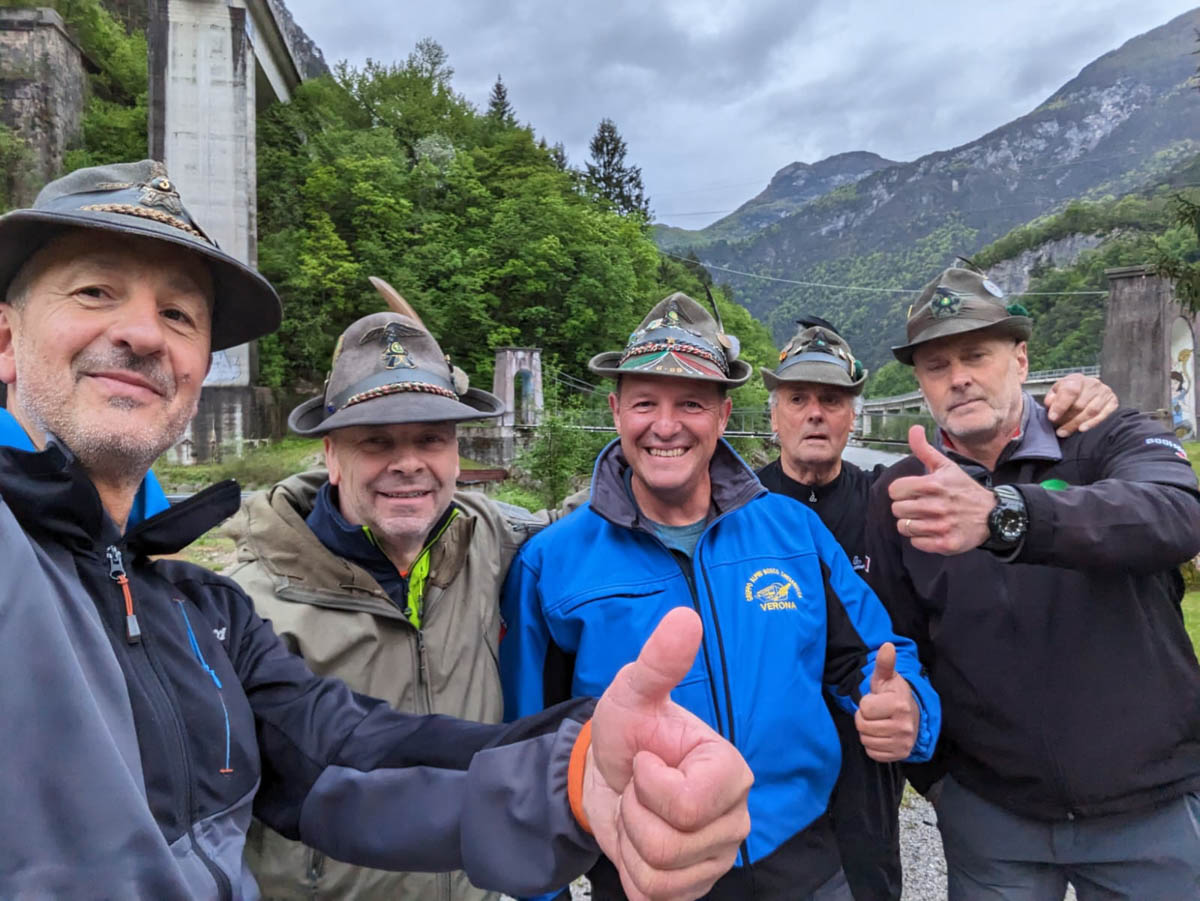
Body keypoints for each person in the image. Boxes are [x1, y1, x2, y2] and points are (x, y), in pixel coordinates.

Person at [0, 161, 753, 901]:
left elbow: (339, 758)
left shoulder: (203, 616)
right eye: (95, 290)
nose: (140, 332)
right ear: (6, 339)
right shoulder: (245, 593)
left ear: (199, 362)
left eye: (178, 314)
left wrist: (575, 775)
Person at [500, 292, 942, 900]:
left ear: (724, 415)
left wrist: (906, 705)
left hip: (804, 858)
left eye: (690, 403)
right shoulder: (552, 563)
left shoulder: (792, 531)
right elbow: (530, 741)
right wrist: (540, 890)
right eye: (644, 402)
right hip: (646, 871)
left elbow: (867, 653)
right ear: (615, 410)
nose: (665, 424)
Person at [865, 266, 1200, 900]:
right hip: (993, 821)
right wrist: (939, 779)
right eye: (936, 366)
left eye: (976, 355)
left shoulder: (1107, 434)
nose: (958, 376)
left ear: (1020, 358)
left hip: (1149, 811)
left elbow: (1178, 516)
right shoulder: (900, 491)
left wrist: (1006, 516)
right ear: (920, 385)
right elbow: (899, 636)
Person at [755, 316, 1116, 901]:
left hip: (867, 763)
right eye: (797, 399)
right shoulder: (734, 508)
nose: (814, 413)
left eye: (832, 399)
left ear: (853, 414)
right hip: (766, 760)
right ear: (774, 415)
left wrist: (1086, 399)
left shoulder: (893, 500)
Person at [226, 278, 566, 900]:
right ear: (330, 456)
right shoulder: (248, 606)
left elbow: (593, 535)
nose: (408, 463)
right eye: (376, 441)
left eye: (430, 438)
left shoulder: (492, 543)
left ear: (457, 456)